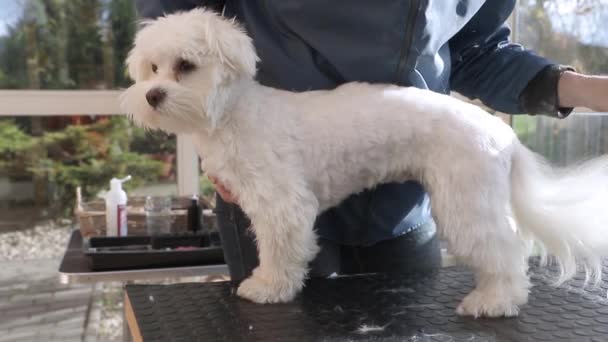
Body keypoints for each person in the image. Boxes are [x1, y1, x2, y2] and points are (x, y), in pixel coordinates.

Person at [135, 0, 608, 277]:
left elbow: (478, 53)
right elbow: (172, 30)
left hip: (405, 204)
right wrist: (211, 133)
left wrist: (585, 89)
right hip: (265, 170)